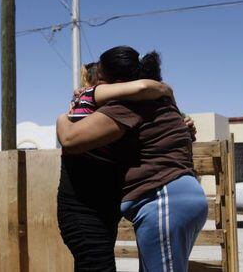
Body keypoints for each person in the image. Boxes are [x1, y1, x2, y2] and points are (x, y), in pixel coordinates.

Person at [57, 46, 207, 272]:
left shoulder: (125, 106)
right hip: (171, 199)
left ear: (112, 81)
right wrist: (167, 92)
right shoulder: (154, 102)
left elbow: (68, 138)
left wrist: (61, 118)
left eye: (100, 77)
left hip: (162, 199)